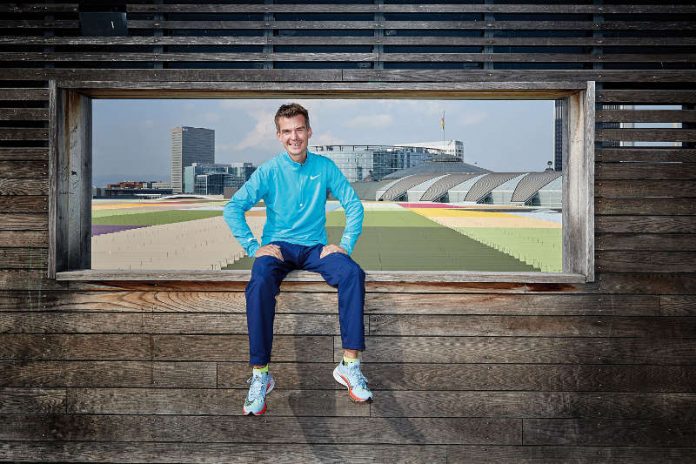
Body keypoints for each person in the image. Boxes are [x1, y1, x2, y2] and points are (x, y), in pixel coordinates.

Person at [223, 103, 372, 416]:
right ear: (279, 136)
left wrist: (344, 244)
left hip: (315, 248)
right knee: (260, 280)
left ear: (309, 131)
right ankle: (260, 375)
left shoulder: (325, 167)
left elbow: (354, 206)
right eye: (287, 131)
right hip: (277, 248)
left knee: (352, 274)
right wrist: (253, 247)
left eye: (299, 129)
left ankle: (350, 365)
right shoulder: (269, 171)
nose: (294, 136)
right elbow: (233, 208)